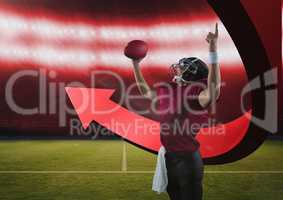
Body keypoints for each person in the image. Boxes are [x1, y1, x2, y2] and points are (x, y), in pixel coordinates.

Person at [131, 23, 221, 200]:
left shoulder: (197, 91)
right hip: (168, 155)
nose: (177, 67)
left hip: (187, 158)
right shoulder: (169, 88)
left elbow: (214, 87)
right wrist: (135, 64)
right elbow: (146, 92)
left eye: (182, 65)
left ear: (192, 72)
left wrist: (213, 48)